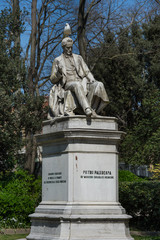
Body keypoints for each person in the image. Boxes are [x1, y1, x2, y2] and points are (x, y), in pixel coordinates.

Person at [48, 37, 109, 119]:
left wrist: (92, 79)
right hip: (68, 84)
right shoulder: (57, 60)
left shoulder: (78, 58)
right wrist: (59, 73)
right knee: (77, 84)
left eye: (71, 47)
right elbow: (52, 79)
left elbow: (86, 71)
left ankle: (94, 110)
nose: (70, 49)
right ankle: (87, 109)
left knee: (98, 84)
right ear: (63, 47)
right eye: (67, 48)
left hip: (82, 82)